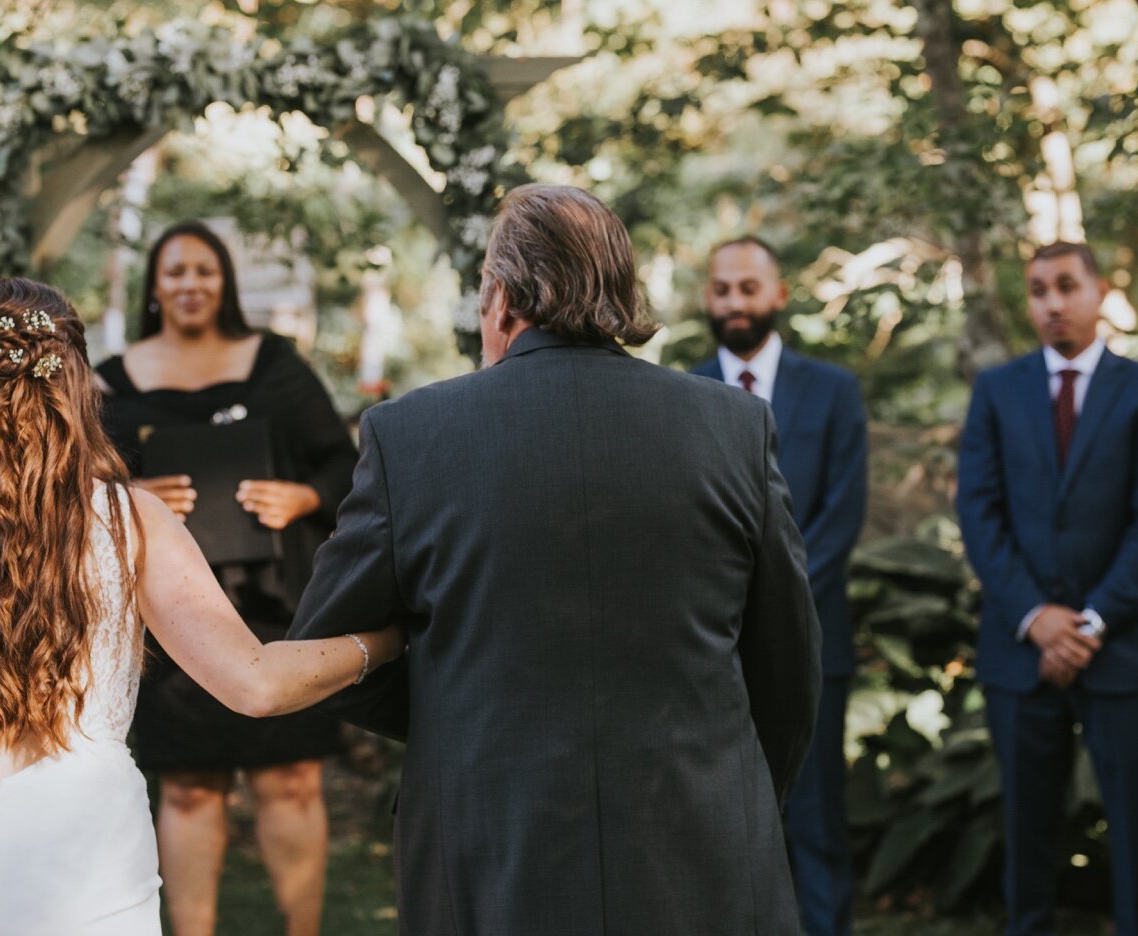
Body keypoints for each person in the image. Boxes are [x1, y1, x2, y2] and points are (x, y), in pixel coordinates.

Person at [289, 184, 821, 934]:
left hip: (490, 839)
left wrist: (463, 713)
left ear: (500, 299)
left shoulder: (409, 436)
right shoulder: (732, 425)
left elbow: (321, 652)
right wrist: (734, 791)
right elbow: (787, 661)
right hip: (699, 840)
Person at [0, 278, 402, 936]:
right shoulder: (131, 520)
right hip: (79, 849)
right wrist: (382, 643)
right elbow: (255, 684)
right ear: (73, 384)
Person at [94, 220, 357, 936]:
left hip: (274, 605)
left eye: (204, 272)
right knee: (187, 789)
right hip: (169, 614)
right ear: (154, 284)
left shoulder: (275, 365)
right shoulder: (110, 380)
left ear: (225, 282)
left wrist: (302, 498)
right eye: (175, 272)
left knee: (291, 780)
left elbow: (341, 462)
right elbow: (85, 485)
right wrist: (139, 493)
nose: (189, 285)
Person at [955, 241, 1138, 936]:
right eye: (1036, 290)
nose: (1051, 303)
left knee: (1135, 825)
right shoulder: (996, 391)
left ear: (1100, 292)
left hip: (1118, 651)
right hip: (1019, 650)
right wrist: (1035, 617)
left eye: (1065, 286)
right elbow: (979, 512)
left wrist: (1087, 624)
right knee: (1027, 830)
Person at [690, 237, 868, 936]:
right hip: (709, 650)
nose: (735, 302)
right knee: (719, 830)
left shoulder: (835, 391)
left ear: (778, 294)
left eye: (748, 287)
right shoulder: (685, 390)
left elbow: (842, 515)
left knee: (818, 825)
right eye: (723, 289)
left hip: (816, 645)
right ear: (709, 298)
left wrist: (768, 605)